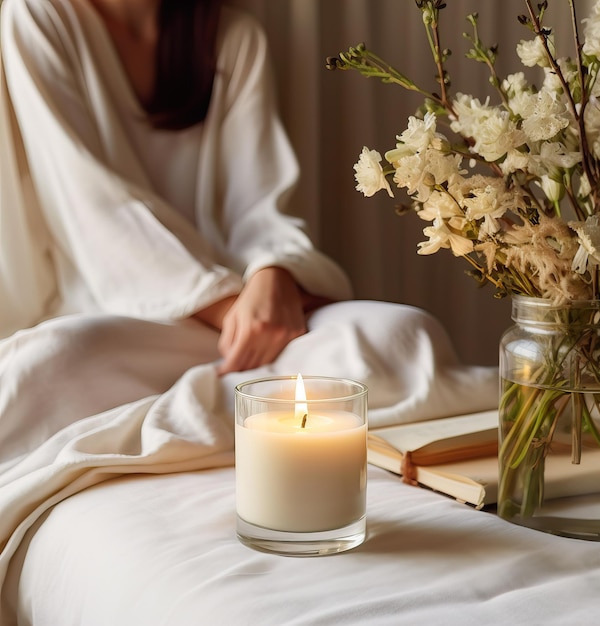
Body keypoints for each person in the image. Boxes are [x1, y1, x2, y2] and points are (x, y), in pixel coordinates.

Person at [0, 0, 498, 471]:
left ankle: (215, 406)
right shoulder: (38, 16)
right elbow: (93, 208)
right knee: (46, 364)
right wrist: (234, 310)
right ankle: (253, 405)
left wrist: (272, 272)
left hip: (253, 325)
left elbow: (260, 209)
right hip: (125, 324)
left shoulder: (233, 39)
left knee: (403, 335)